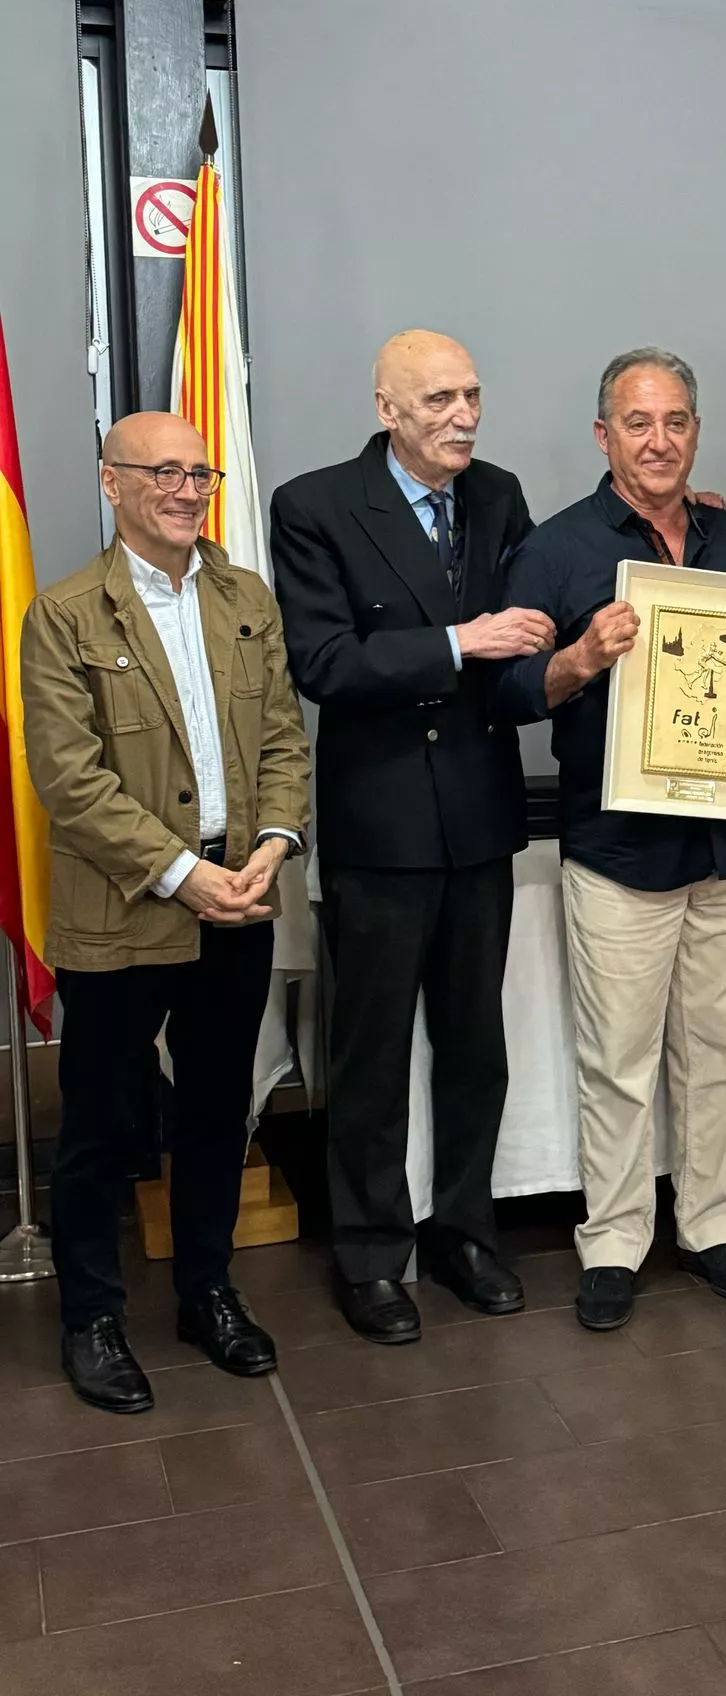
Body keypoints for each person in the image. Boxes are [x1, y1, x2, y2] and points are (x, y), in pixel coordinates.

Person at [21, 412, 309, 1412]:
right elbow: (70, 779)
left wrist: (272, 845)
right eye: (164, 472)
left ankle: (207, 1291)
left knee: (217, 1110)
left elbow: (284, 739)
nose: (187, 491)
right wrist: (183, 873)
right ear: (113, 483)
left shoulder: (246, 598)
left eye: (200, 472)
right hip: (125, 908)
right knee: (103, 1123)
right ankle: (92, 1317)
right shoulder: (65, 615)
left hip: (241, 897)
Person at [269, 331, 552, 1343]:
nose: (463, 415)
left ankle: (467, 1234)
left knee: (476, 1049)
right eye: (439, 400)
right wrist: (458, 642)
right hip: (381, 824)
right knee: (373, 1054)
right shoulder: (315, 505)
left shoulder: (498, 494)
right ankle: (372, 1254)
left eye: (472, 394)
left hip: (478, 816)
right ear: (387, 409)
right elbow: (324, 663)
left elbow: (539, 615)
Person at [500, 349, 726, 1332]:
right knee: (618, 1062)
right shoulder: (555, 548)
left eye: (676, 420)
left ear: (696, 430)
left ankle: (712, 1226)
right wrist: (580, 657)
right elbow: (509, 690)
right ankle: (614, 1241)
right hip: (619, 853)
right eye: (638, 421)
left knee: (723, 1054)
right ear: (603, 434)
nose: (659, 440)